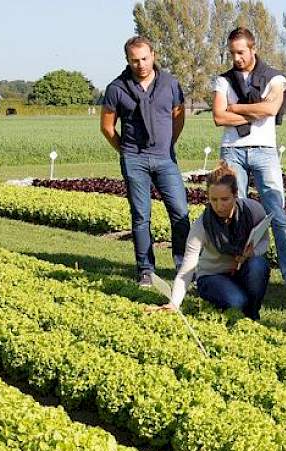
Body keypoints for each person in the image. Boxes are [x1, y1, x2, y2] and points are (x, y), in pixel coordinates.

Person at [212, 27, 286, 293]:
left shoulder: (275, 78)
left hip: (264, 149)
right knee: (233, 213)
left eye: (241, 52)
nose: (236, 57)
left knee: (276, 212)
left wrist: (236, 108)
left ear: (253, 49)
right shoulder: (223, 80)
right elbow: (219, 117)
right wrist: (256, 111)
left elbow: (271, 109)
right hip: (232, 149)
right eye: (232, 53)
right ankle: (234, 268)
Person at [101, 36, 190, 287]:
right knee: (141, 216)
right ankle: (146, 270)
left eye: (144, 58)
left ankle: (183, 265)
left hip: (165, 159)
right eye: (134, 60)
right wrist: (126, 152)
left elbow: (178, 116)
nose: (140, 64)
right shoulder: (116, 88)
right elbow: (107, 127)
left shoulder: (170, 83)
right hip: (134, 160)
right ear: (127, 60)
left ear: (153, 55)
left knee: (180, 212)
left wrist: (168, 144)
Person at [153, 161, 271, 320]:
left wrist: (252, 253)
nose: (219, 206)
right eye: (213, 200)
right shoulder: (202, 225)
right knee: (237, 301)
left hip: (241, 270)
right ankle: (237, 305)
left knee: (259, 264)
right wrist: (174, 303)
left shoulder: (253, 210)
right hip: (212, 276)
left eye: (225, 199)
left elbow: (265, 241)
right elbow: (187, 268)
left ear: (236, 195)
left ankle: (252, 313)